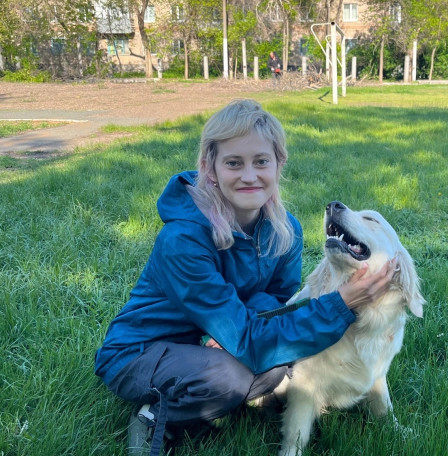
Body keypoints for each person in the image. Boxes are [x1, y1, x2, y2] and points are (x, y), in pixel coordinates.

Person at [94, 99, 397, 456]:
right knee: (230, 377)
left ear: (279, 164)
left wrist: (234, 331)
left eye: (261, 161)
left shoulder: (286, 232)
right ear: (210, 168)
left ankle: (211, 392)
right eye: (234, 163)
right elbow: (256, 339)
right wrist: (341, 304)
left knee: (276, 363)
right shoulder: (182, 240)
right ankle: (155, 415)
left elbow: (279, 303)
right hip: (140, 352)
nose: (249, 176)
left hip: (210, 342)